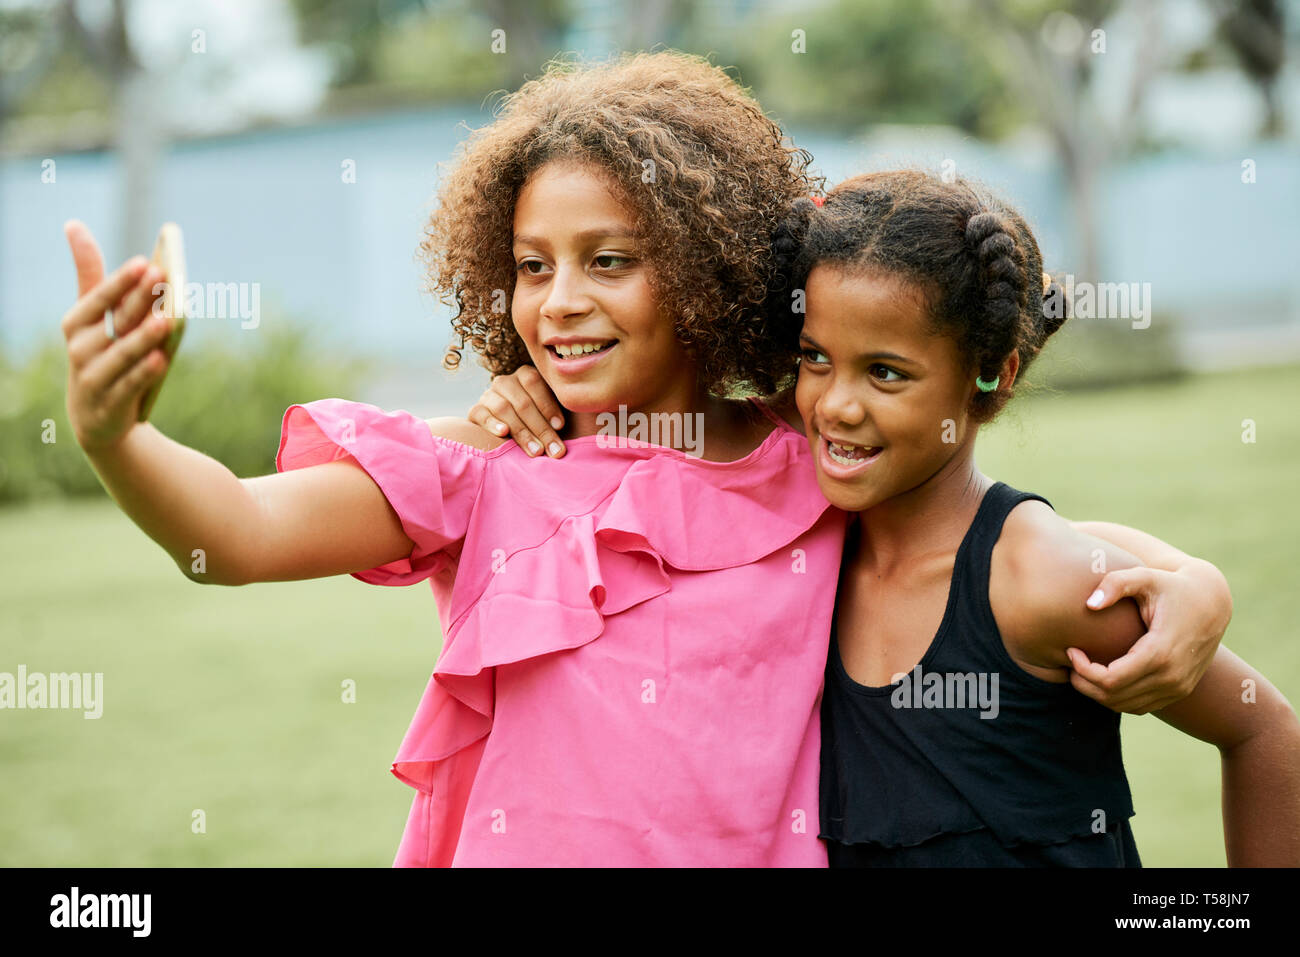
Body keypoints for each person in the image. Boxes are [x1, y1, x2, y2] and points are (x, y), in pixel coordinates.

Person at [61, 52, 1227, 867]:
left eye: (608, 260)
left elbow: (970, 531)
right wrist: (120, 436)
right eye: (530, 266)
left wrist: (1190, 583)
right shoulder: (491, 463)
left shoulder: (801, 457)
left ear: (707, 262)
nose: (559, 303)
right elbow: (236, 539)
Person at [784, 170, 1299, 865]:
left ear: (989, 373)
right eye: (816, 357)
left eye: (886, 372)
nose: (836, 405)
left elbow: (1264, 732)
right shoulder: (793, 558)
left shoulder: (1041, 584)